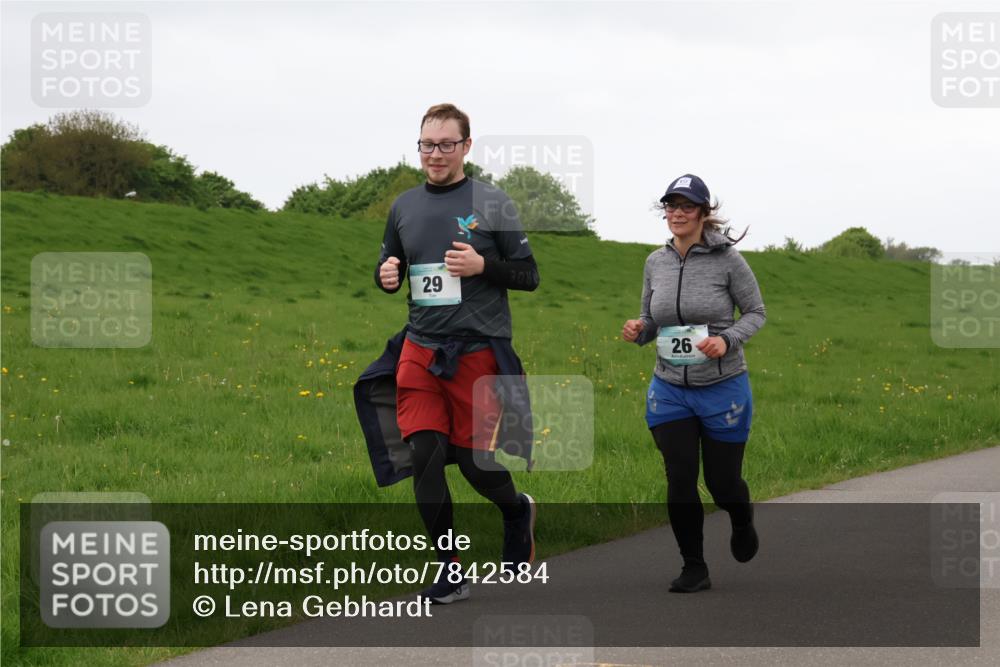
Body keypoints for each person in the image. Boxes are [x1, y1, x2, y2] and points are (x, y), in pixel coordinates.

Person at [374, 103, 540, 604]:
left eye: (447, 144)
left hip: (476, 354)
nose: (435, 153)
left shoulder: (494, 203)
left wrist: (481, 264)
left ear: (467, 146)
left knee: (475, 464)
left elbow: (529, 275)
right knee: (424, 454)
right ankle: (449, 568)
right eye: (427, 144)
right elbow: (391, 263)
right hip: (420, 349)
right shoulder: (404, 206)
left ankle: (516, 511)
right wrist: (386, 275)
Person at [622, 173, 766, 593]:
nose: (677, 213)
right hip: (669, 388)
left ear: (704, 213)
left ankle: (741, 516)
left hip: (723, 388)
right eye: (671, 205)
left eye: (687, 206)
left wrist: (726, 339)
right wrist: (639, 330)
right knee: (680, 476)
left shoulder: (728, 261)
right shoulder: (655, 262)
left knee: (723, 485)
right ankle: (694, 566)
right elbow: (653, 320)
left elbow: (756, 312)